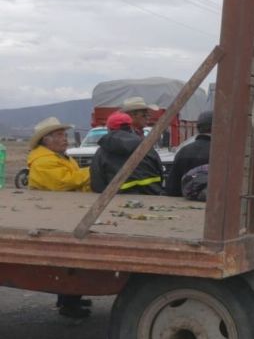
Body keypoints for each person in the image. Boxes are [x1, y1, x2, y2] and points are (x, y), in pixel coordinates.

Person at [27, 117, 93, 318]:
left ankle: (70, 299)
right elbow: (65, 182)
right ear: (46, 140)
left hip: (65, 215)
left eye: (64, 134)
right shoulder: (43, 162)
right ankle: (68, 304)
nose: (65, 139)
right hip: (55, 218)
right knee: (68, 262)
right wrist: (93, 171)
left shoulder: (61, 157)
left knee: (71, 262)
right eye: (59, 135)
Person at [90, 112, 164, 195]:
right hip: (152, 196)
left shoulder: (101, 153)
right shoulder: (145, 146)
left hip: (116, 200)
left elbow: (97, 185)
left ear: (109, 129)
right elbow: (160, 170)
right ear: (130, 127)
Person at [166, 110, 212, 197]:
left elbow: (172, 189)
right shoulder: (223, 153)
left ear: (198, 128)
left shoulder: (183, 151)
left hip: (185, 204)